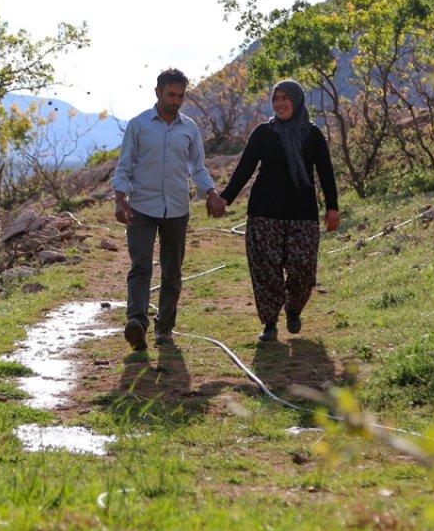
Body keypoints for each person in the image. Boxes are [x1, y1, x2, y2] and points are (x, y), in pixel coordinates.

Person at [112, 68, 227, 351]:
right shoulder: (138, 125)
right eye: (171, 95)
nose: (176, 101)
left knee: (172, 271)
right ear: (158, 93)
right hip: (141, 207)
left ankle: (165, 328)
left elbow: (197, 167)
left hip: (177, 208)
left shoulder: (189, 128)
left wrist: (211, 193)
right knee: (140, 267)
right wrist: (119, 199)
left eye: (181, 96)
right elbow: (125, 165)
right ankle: (136, 322)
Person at [218, 79, 339, 341]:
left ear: (297, 101)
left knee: (303, 268)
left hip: (303, 214)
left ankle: (293, 309)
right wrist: (224, 199)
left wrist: (332, 207)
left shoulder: (312, 134)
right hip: (264, 213)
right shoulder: (263, 133)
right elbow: (245, 168)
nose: (280, 103)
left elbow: (326, 172)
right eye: (276, 98)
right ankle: (270, 323)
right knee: (266, 271)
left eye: (286, 98)